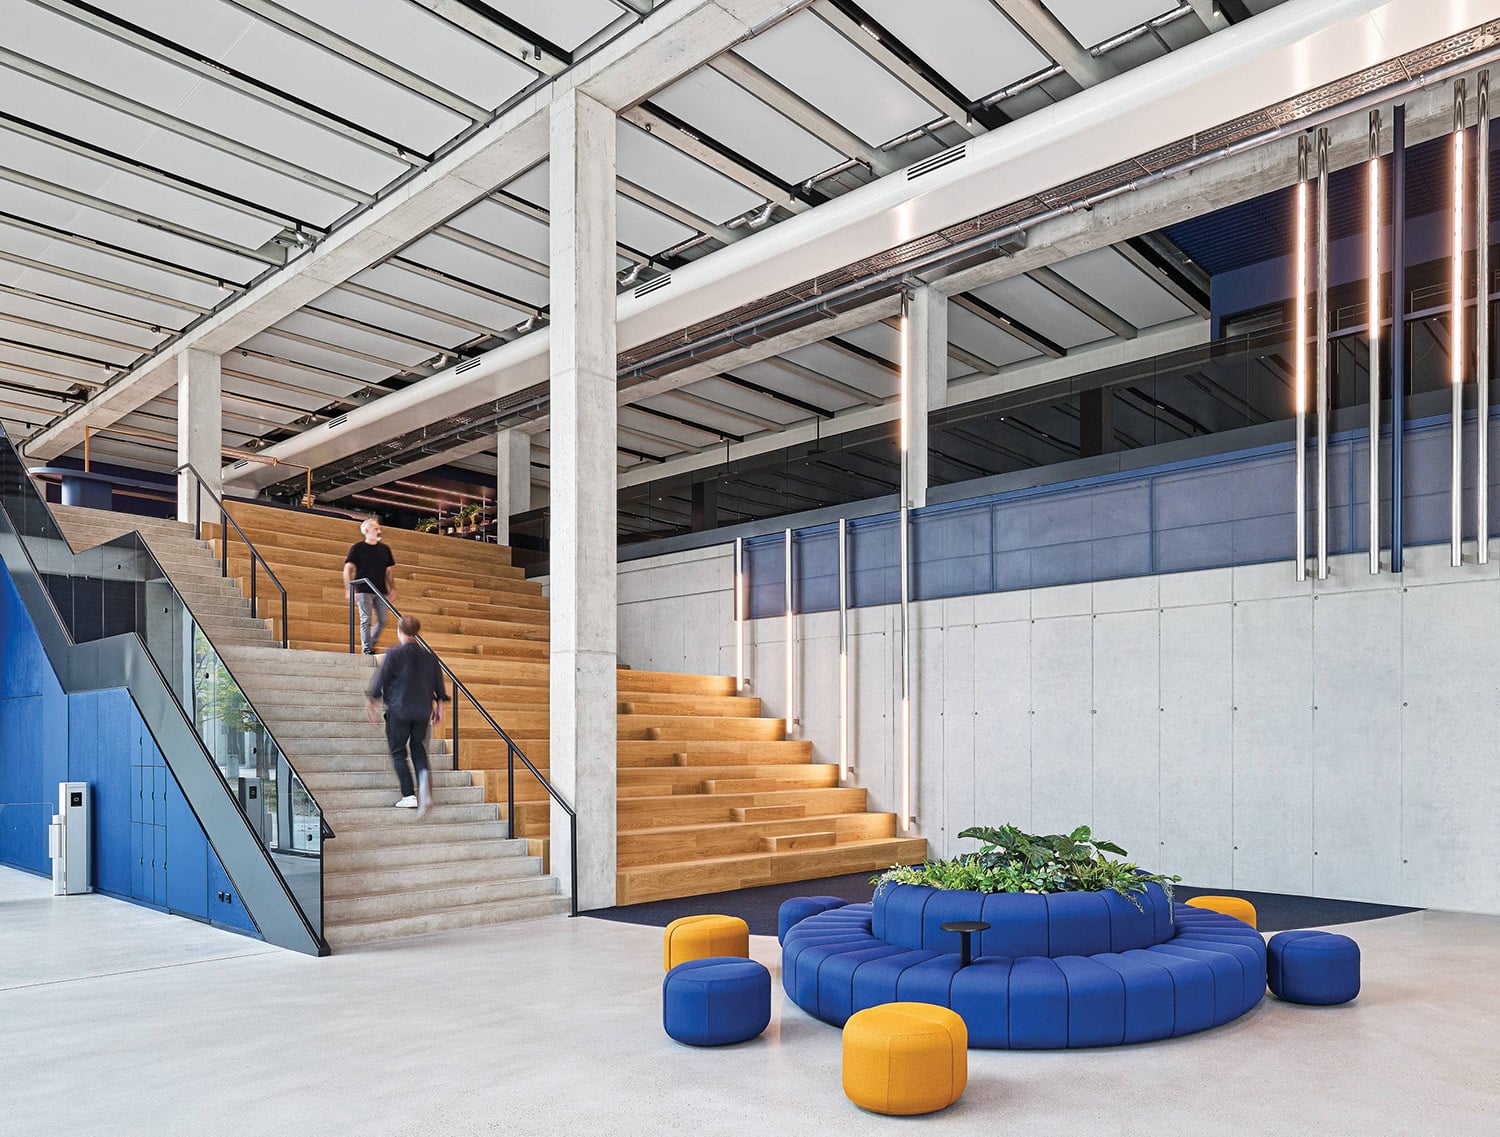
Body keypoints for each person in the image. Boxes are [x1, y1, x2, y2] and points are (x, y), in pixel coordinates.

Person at [365, 616, 448, 817]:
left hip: (399, 710)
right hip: (422, 712)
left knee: (398, 752)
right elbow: (439, 686)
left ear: (399, 631)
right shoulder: (430, 657)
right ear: (417, 633)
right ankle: (424, 784)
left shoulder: (394, 654)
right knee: (418, 748)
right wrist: (439, 708)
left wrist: (372, 702)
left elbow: (381, 679)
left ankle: (409, 795)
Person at [344, 517, 396, 655]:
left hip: (380, 590)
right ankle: (367, 648)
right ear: (366, 531)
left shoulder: (385, 549)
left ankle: (371, 643)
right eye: (376, 528)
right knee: (365, 619)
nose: (379, 531)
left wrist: (393, 588)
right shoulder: (357, 548)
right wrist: (349, 588)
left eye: (379, 528)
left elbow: (388, 571)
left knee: (383, 620)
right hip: (363, 589)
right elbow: (348, 568)